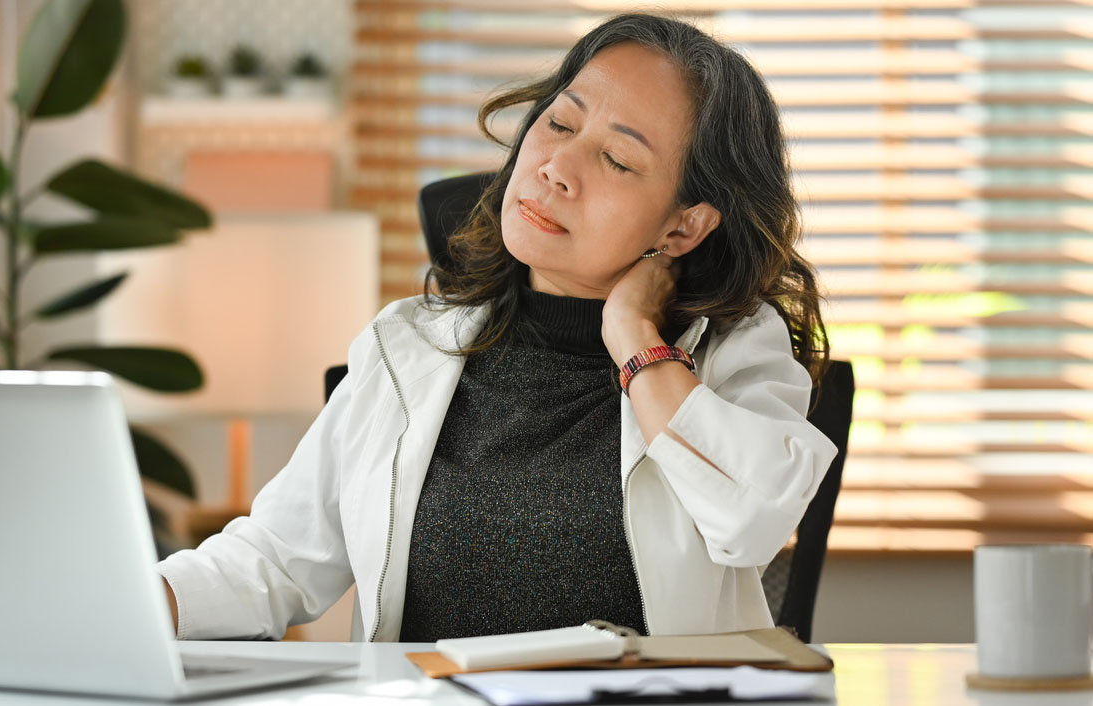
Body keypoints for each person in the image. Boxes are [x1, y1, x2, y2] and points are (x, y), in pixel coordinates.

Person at [157, 13, 838, 643]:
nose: (555, 168)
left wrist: (635, 337)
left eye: (618, 160)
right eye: (560, 125)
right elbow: (276, 560)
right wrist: (137, 601)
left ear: (683, 224)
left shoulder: (731, 354)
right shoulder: (407, 347)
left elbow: (749, 522)